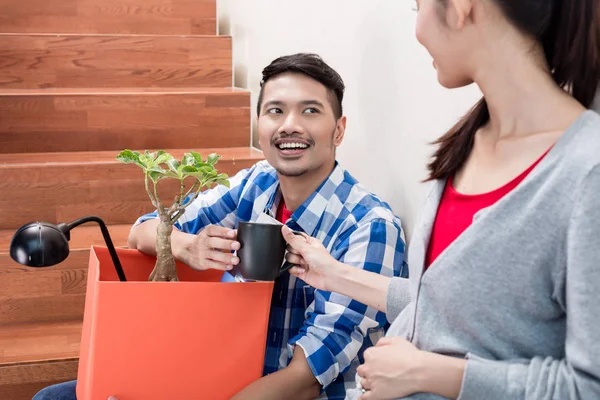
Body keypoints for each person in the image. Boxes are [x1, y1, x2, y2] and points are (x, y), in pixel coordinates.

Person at [32, 53, 407, 400]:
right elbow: (142, 232)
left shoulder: (370, 226)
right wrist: (187, 246)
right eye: (275, 111)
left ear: (338, 130)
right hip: (222, 371)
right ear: (259, 126)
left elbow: (306, 379)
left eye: (310, 111)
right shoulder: (256, 183)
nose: (289, 125)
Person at [283, 1, 600, 399]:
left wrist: (430, 374)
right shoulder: (466, 145)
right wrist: (333, 275)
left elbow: (589, 387)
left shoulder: (586, 172)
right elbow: (445, 306)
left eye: (418, 7)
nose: (417, 30)